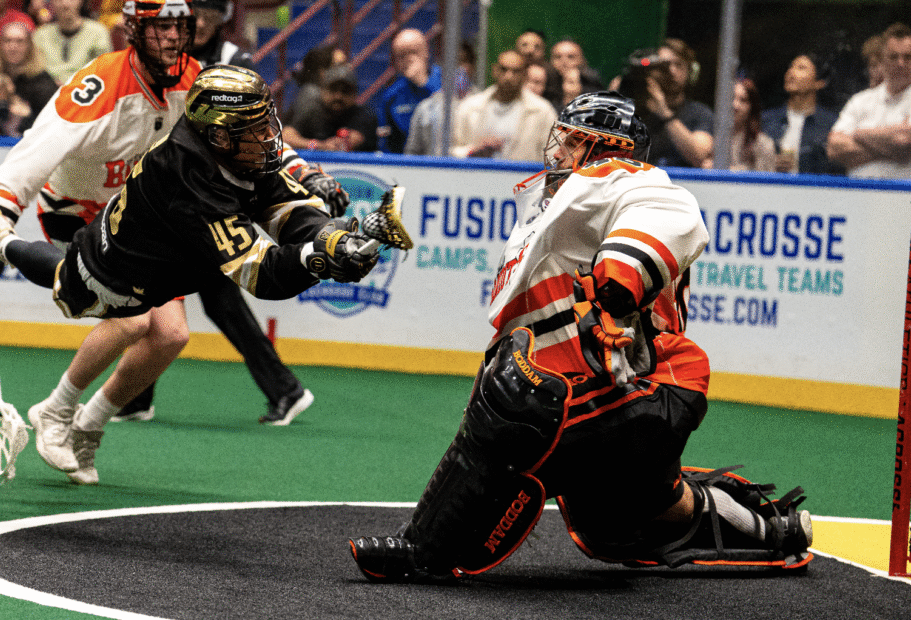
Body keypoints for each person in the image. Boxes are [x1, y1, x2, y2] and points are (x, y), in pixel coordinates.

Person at [348, 90, 813, 583]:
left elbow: (670, 214)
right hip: (595, 400)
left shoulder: (623, 178)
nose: (559, 153)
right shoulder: (551, 210)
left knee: (511, 401)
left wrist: (618, 283)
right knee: (622, 523)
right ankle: (770, 530)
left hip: (648, 384)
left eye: (574, 142)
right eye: (561, 140)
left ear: (607, 149)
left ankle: (421, 549)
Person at [0, 65, 412, 484]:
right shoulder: (189, 175)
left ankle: (88, 425)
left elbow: (287, 212)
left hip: (178, 261)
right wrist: (323, 256)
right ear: (219, 135)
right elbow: (262, 276)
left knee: (170, 336)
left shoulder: (237, 144)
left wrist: (334, 236)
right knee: (82, 287)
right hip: (120, 264)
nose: (268, 135)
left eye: (265, 120)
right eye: (255, 127)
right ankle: (6, 257)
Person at [0, 0, 342, 432]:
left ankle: (90, 423)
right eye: (158, 28)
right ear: (133, 31)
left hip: (139, 213)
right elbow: (37, 149)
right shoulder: (100, 84)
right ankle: (58, 408)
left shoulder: (194, 78)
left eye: (178, 26)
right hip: (75, 208)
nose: (172, 37)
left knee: (171, 335)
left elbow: (246, 127)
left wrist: (301, 171)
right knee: (132, 317)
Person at [827, 23, 911, 179]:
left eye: (907, 57)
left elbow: (905, 142)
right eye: (894, 57)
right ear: (883, 59)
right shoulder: (860, 101)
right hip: (860, 196)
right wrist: (893, 148)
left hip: (904, 198)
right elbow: (833, 148)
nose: (901, 63)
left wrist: (859, 134)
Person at [443, 49, 556, 160]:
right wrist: (473, 150)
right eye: (503, 69)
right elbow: (449, 151)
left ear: (524, 75)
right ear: (494, 70)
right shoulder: (470, 107)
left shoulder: (542, 111)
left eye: (515, 71)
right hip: (475, 175)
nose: (508, 76)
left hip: (524, 177)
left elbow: (552, 158)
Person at [619, 39, 714, 169]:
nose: (672, 71)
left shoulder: (700, 113)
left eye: (678, 65)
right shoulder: (635, 110)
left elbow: (699, 155)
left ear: (689, 72)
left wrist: (664, 113)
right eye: (664, 66)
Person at [761, 53, 842, 175]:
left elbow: (836, 169)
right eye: (791, 67)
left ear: (819, 83)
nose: (791, 73)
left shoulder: (831, 125)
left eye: (801, 68)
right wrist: (769, 163)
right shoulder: (766, 120)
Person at [282, 62, 377, 152]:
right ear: (322, 91)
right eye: (333, 89)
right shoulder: (311, 111)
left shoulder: (364, 115)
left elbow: (353, 140)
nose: (338, 96)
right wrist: (318, 145)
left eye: (345, 91)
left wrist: (342, 144)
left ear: (355, 94)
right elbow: (286, 137)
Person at [376, 27, 440, 154]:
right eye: (401, 56)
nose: (408, 60)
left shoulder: (448, 81)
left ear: (426, 52)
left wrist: (423, 83)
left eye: (413, 52)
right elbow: (385, 142)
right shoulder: (391, 95)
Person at [0, 19, 57, 124]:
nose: (13, 47)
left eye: (19, 41)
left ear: (29, 46)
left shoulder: (43, 83)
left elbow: (51, 123)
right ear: (0, 45)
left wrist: (26, 118)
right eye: (7, 40)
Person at [31, 0, 109, 85]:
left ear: (81, 2)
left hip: (85, 91)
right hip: (48, 91)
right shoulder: (41, 34)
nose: (65, 4)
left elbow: (104, 71)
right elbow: (34, 71)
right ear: (52, 2)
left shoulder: (98, 31)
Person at [186, 0, 250, 70]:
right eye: (193, 16)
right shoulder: (173, 56)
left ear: (220, 23)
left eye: (210, 18)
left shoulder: (235, 60)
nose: (200, 24)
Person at [729, 78, 775, 172]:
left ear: (751, 107)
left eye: (743, 100)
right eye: (731, 98)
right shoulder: (714, 136)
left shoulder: (763, 144)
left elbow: (765, 182)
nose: (735, 105)